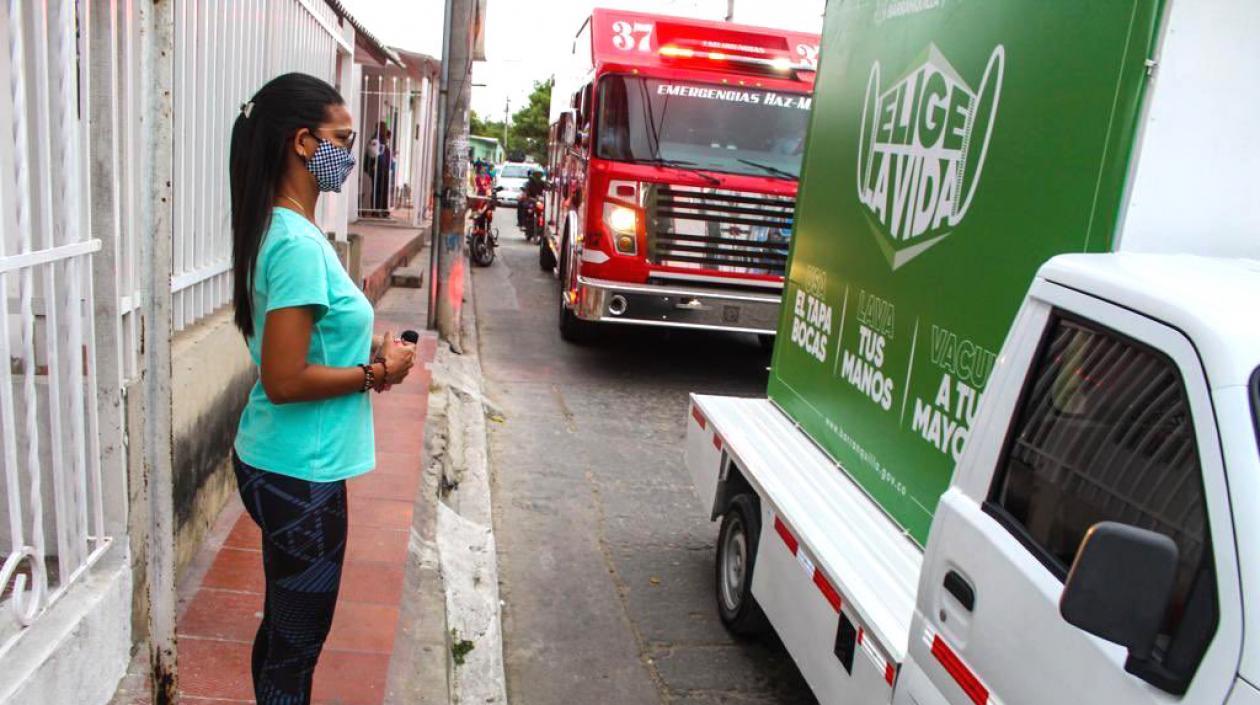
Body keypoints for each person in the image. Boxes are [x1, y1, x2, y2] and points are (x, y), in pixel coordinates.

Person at [228, 72, 416, 705]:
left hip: (279, 463)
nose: (351, 151)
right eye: (343, 137)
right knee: (296, 652)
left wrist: (364, 353)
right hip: (298, 475)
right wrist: (377, 374)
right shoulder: (298, 244)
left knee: (283, 631)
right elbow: (283, 379)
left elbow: (303, 346)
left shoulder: (281, 230)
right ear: (305, 143)